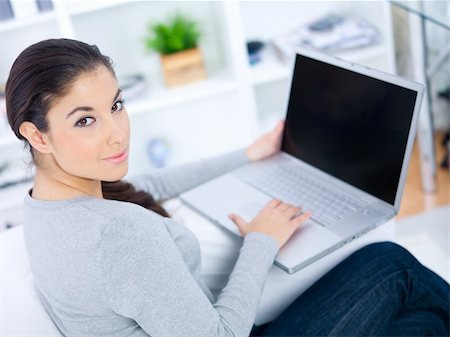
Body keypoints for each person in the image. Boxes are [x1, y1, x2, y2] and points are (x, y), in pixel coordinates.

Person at [5, 38, 449, 337]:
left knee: (424, 320)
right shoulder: (120, 237)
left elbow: (142, 185)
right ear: (37, 135)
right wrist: (260, 240)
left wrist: (249, 154)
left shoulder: (43, 207)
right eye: (85, 120)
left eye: (116, 105)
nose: (117, 133)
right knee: (393, 266)